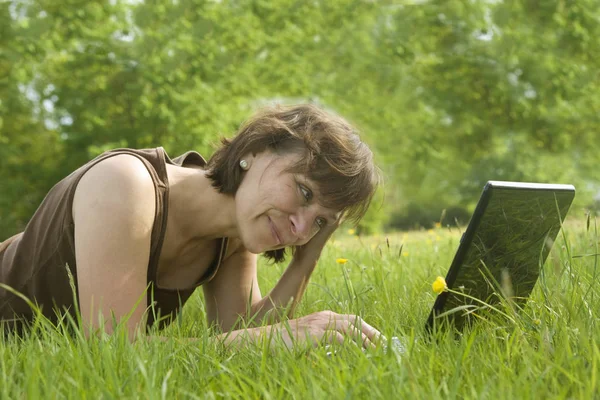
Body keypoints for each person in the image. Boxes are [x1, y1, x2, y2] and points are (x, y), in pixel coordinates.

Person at [0, 104, 381, 347]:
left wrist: (308, 256)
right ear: (255, 150)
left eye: (319, 222)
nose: (300, 228)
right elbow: (112, 349)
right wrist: (276, 336)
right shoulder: (126, 184)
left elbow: (240, 332)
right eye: (303, 191)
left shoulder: (231, 236)